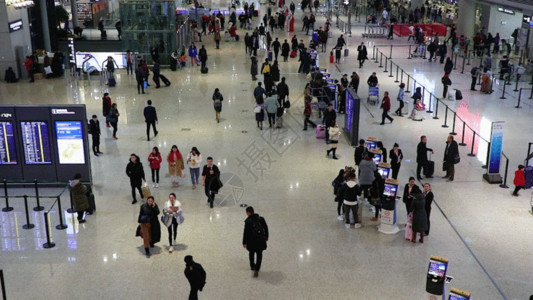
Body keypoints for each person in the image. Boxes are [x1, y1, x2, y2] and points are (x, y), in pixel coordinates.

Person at [242, 206, 269, 278]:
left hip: (251, 242)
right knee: (259, 255)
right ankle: (257, 269)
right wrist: (266, 236)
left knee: (251, 253)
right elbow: (266, 228)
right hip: (260, 241)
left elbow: (246, 233)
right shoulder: (261, 219)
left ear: (248, 212)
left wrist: (244, 242)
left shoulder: (248, 222)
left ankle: (252, 266)